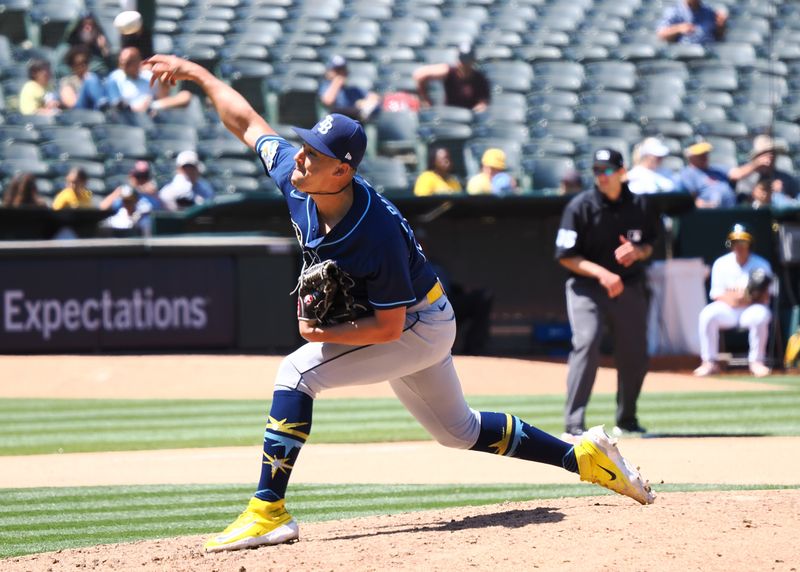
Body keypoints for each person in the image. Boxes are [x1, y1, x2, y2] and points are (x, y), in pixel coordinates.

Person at [143, 53, 655, 552]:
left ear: (342, 171)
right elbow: (248, 123)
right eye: (303, 147)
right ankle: (585, 458)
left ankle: (267, 512)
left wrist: (322, 336)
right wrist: (195, 74)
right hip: (417, 324)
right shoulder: (299, 180)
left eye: (313, 154)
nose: (300, 156)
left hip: (416, 325)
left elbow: (387, 330)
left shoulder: (375, 233)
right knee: (460, 431)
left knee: (297, 374)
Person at [555, 148, 659, 439]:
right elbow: (565, 255)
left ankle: (627, 419)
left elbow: (652, 244)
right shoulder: (580, 206)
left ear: (622, 172)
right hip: (587, 287)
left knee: (634, 354)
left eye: (607, 170)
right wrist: (602, 273)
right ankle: (573, 423)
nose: (601, 176)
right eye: (597, 171)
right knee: (586, 343)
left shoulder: (640, 205)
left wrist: (638, 252)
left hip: (628, 285)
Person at [694, 224, 773, 378]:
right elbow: (717, 294)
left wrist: (746, 298)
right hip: (728, 310)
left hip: (752, 309)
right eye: (735, 242)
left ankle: (757, 362)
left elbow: (765, 297)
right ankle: (709, 362)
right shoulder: (721, 263)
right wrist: (740, 298)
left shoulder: (762, 264)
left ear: (750, 244)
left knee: (760, 315)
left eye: (743, 242)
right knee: (707, 314)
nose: (739, 246)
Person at [106, 47, 192, 116]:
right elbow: (116, 106)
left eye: (128, 63)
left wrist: (161, 77)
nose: (124, 66)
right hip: (130, 116)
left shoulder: (148, 75)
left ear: (137, 62)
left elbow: (163, 98)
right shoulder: (115, 78)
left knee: (185, 96)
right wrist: (137, 108)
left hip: (153, 111)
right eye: (122, 63)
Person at [414, 43, 490, 112]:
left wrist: (479, 108)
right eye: (462, 59)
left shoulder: (480, 79)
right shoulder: (449, 72)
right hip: (448, 115)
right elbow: (419, 74)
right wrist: (425, 99)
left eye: (468, 60)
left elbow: (483, 102)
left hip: (468, 118)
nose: (465, 64)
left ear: (473, 60)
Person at [731, 135, 799, 201]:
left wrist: (782, 194)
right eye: (764, 154)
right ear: (756, 157)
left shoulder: (785, 179)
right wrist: (760, 193)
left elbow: (795, 203)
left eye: (772, 154)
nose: (769, 159)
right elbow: (741, 201)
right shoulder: (747, 177)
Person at [318, 55, 381, 122]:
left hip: (352, 124)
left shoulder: (352, 90)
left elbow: (374, 97)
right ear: (329, 72)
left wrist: (365, 103)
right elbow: (328, 101)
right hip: (332, 125)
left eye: (343, 69)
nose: (341, 73)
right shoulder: (325, 86)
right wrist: (337, 81)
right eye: (337, 70)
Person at [676, 141, 737, 208]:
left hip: (730, 209)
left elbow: (738, 174)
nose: (704, 157)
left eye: (705, 154)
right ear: (690, 157)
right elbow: (690, 200)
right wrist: (706, 205)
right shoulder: (688, 173)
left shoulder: (716, 168)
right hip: (708, 213)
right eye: (700, 155)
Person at [58, 46, 111, 111]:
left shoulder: (95, 80)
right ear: (72, 66)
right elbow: (71, 103)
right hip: (79, 111)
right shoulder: (67, 81)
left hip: (95, 111)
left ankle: (105, 106)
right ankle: (103, 104)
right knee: (90, 79)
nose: (83, 66)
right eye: (79, 63)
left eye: (85, 62)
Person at [657, 0, 727, 45]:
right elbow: (662, 34)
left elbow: (718, 37)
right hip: (684, 53)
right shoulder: (674, 11)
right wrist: (678, 28)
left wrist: (721, 26)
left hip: (708, 52)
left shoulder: (709, 12)